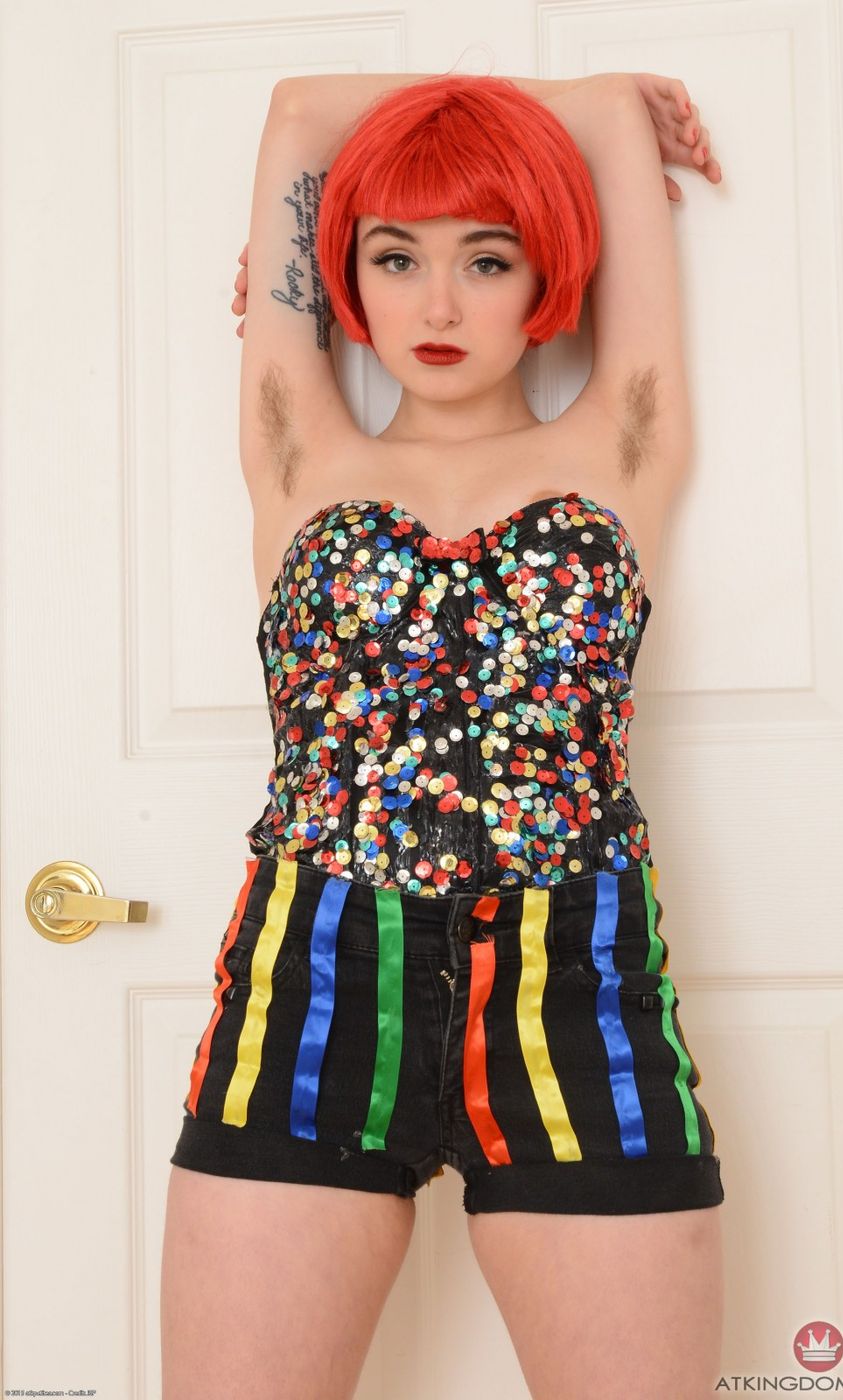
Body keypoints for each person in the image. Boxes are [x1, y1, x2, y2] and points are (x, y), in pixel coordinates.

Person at [160, 69, 725, 1399]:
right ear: (346, 273)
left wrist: (564, 118)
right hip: (309, 989)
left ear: (549, 274)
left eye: (488, 257)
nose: (437, 307)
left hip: (577, 996)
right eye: (395, 257)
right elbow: (300, 111)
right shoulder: (301, 454)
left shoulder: (621, 445)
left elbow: (605, 116)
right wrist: (428, 149)